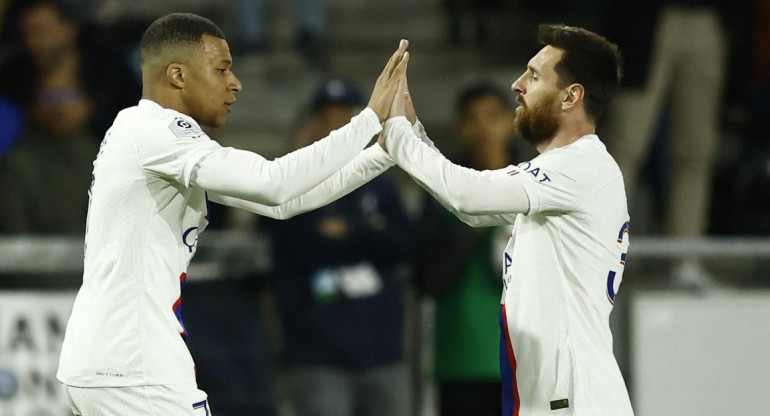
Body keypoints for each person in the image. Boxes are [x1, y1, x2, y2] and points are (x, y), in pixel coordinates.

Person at [56, 12, 409, 415]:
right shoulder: (160, 133)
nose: (235, 82)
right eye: (222, 69)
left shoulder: (139, 131)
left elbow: (282, 203)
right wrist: (366, 120)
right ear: (177, 74)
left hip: (111, 362)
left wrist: (382, 154)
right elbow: (273, 181)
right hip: (136, 368)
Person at [380, 24, 634, 414]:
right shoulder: (565, 174)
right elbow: (472, 206)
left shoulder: (578, 168)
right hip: (556, 395)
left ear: (571, 96)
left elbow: (464, 194)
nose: (517, 85)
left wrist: (396, 130)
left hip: (571, 400)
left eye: (533, 75)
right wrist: (414, 132)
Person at [262, 78, 414, 416]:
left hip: (382, 349)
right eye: (327, 115)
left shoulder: (379, 183)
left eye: (345, 115)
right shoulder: (291, 182)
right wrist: (370, 232)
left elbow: (405, 245)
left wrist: (349, 230)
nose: (336, 124)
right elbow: (298, 249)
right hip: (317, 353)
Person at [415, 84, 518, 416]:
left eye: (493, 117)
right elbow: (430, 278)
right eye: (473, 119)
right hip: (462, 359)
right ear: (459, 126)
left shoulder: (537, 184)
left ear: (511, 121)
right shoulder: (441, 186)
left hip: (526, 357)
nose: (484, 128)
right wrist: (479, 202)